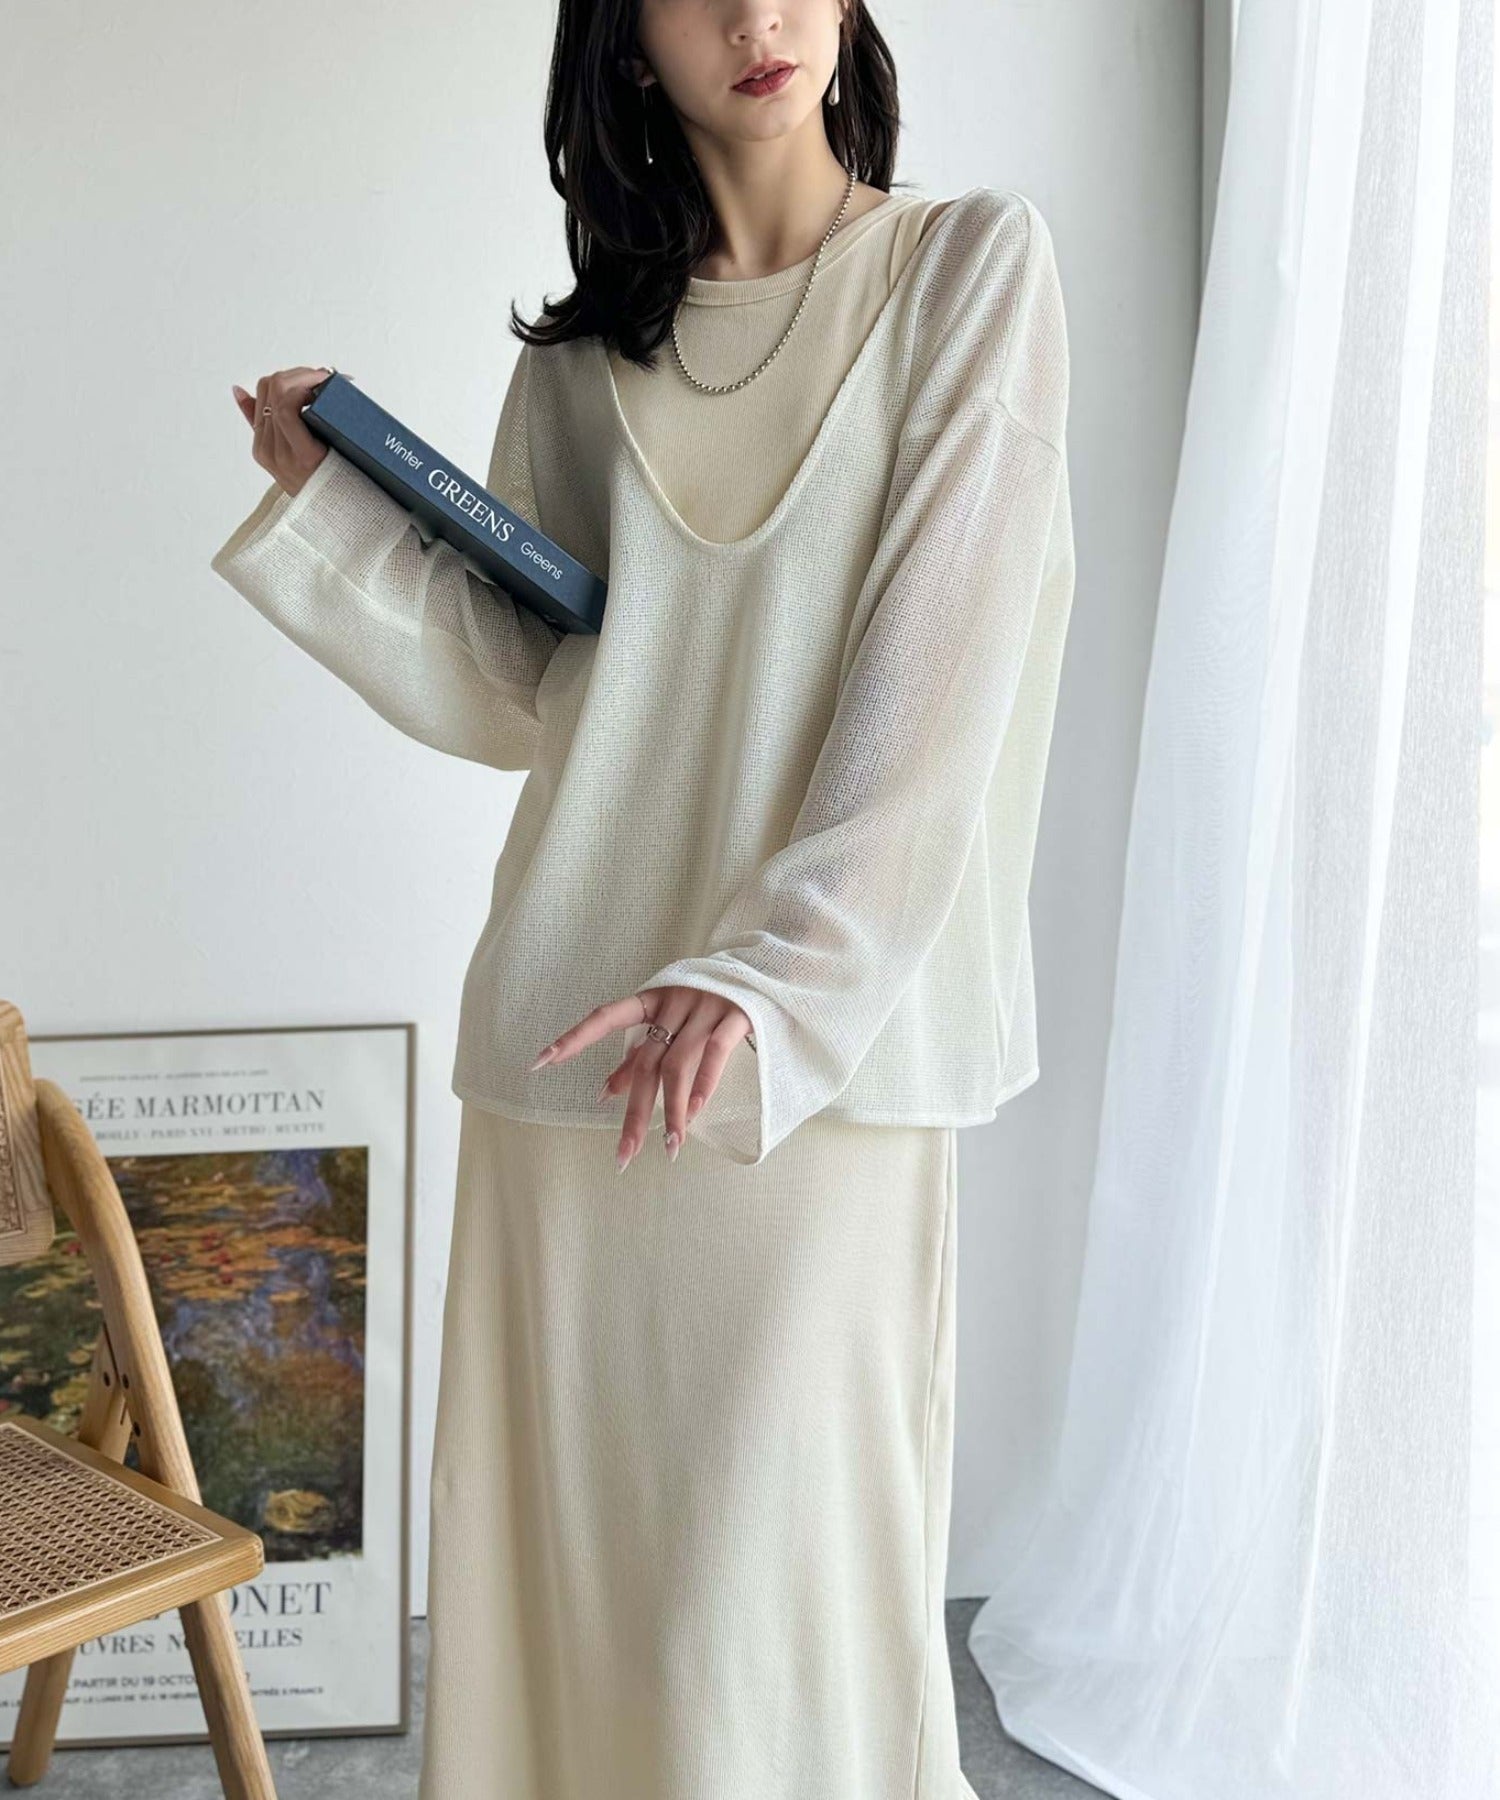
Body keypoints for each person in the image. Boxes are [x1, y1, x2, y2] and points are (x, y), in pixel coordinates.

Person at [211, 1, 1074, 1793]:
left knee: (781, 1625)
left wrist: (769, 979)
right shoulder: (582, 365)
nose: (755, 19)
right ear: (623, 43)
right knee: (580, 1621)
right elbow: (536, 694)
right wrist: (340, 511)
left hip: (807, 1073)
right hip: (573, 1063)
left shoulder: (968, 272)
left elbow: (942, 682)